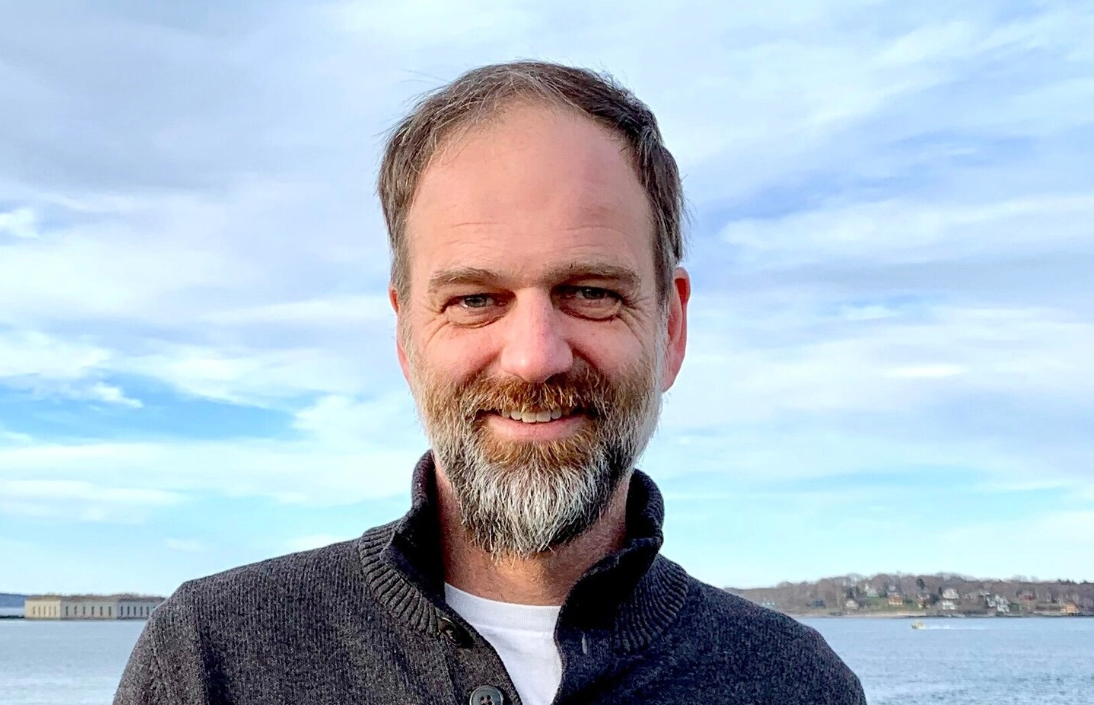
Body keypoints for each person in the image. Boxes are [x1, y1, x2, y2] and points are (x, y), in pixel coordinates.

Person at [114, 61, 866, 705]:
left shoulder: (796, 683)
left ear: (671, 330)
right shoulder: (215, 658)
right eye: (475, 300)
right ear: (407, 336)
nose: (534, 358)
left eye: (592, 292)